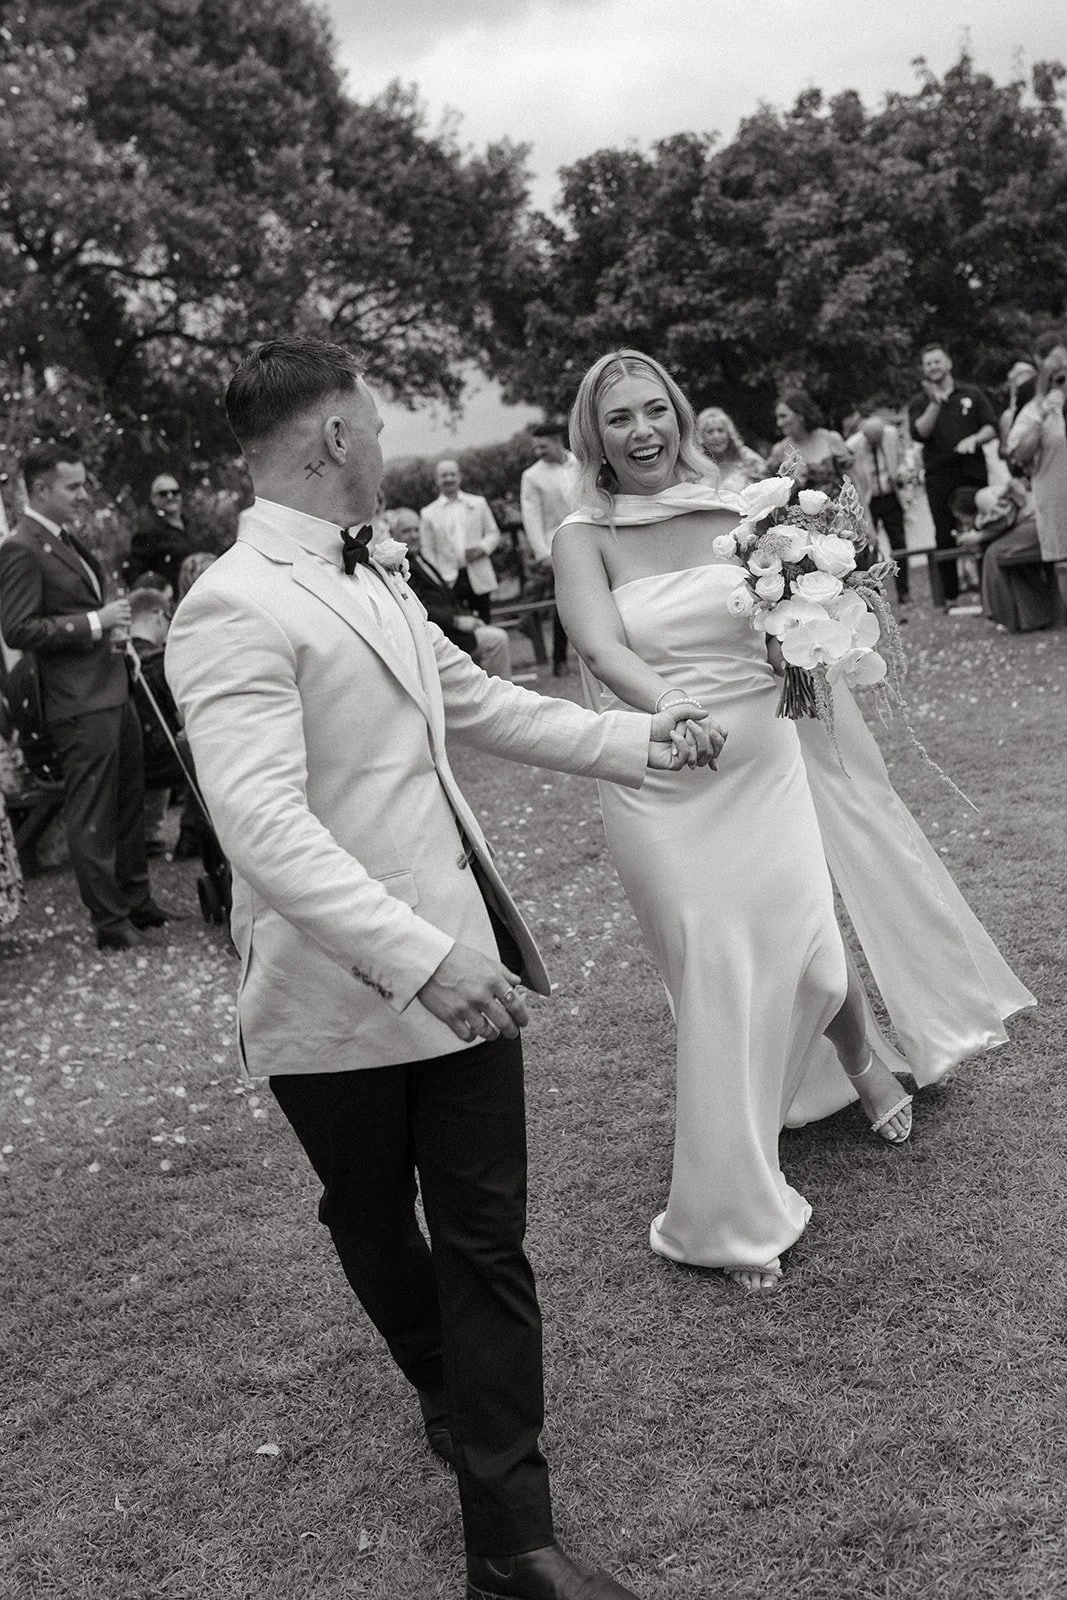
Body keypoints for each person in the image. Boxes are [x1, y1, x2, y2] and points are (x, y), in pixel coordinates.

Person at [164, 336, 714, 1600]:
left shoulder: (381, 572)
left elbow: (477, 702)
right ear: (334, 440)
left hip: (461, 968)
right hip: (333, 996)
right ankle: (434, 1375)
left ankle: (514, 1543)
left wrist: (638, 741)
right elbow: (262, 827)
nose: (387, 443)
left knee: (485, 1240)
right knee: (368, 1216)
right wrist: (417, 961)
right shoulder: (229, 606)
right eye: (373, 422)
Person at [551, 347, 1035, 1295]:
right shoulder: (584, 532)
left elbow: (794, 619)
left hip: (766, 752)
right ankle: (729, 1210)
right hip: (665, 769)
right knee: (715, 968)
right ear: (593, 435)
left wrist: (827, 616)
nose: (643, 431)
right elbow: (599, 644)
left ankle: (856, 1060)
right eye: (619, 419)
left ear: (682, 416)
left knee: (810, 950)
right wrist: (669, 707)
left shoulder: (744, 506)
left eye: (656, 410)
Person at [0, 443, 167, 950]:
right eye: (73, 486)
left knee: (129, 798)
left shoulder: (64, 539)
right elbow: (17, 628)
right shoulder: (21, 547)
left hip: (111, 685)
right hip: (76, 700)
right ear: (42, 488)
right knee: (92, 811)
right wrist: (94, 622)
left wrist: (108, 632)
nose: (82, 494)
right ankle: (110, 923)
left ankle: (138, 901)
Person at [907, 344, 998, 606]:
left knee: (983, 524)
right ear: (924, 370)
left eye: (937, 361)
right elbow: (920, 433)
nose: (933, 367)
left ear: (948, 363)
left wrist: (975, 438)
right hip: (939, 476)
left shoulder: (971, 393)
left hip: (972, 471)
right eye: (928, 364)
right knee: (944, 533)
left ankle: (987, 588)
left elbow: (991, 427)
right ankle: (950, 596)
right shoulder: (919, 402)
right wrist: (935, 404)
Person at [389, 506, 512, 679]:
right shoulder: (399, 567)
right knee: (497, 639)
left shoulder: (420, 559)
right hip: (441, 635)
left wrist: (469, 617)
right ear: (393, 534)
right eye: (406, 531)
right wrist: (456, 621)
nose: (414, 535)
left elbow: (446, 597)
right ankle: (502, 700)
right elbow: (417, 608)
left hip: (453, 630)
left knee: (491, 635)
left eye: (416, 530)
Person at [1006, 331, 1067, 617]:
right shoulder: (1035, 408)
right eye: (1058, 375)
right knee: (1064, 564)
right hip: (1055, 496)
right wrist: (1044, 413)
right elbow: (1018, 454)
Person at [950, 483, 1057, 634]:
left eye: (960, 517)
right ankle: (1030, 618)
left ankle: (999, 612)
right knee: (1004, 556)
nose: (963, 522)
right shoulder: (987, 498)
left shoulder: (982, 497)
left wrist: (978, 537)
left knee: (994, 554)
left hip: (1034, 522)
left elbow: (1005, 518)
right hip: (1037, 522)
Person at [519, 422, 578, 676]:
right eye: (535, 447)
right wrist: (542, 553)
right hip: (557, 544)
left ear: (557, 440)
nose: (538, 451)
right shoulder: (532, 476)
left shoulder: (580, 463)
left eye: (543, 446)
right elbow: (531, 517)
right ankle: (560, 660)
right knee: (564, 602)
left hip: (589, 534)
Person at [419, 459, 501, 625]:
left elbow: (493, 533)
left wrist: (482, 548)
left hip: (477, 571)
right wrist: (439, 575)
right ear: (437, 480)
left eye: (452, 474)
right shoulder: (428, 513)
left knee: (485, 621)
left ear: (460, 477)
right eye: (444, 475)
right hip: (449, 578)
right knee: (459, 623)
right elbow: (427, 549)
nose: (449, 479)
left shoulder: (478, 503)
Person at [844, 414, 909, 604]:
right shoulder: (853, 445)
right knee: (869, 544)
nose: (875, 443)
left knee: (899, 542)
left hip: (890, 494)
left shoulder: (891, 434)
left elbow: (901, 456)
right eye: (871, 440)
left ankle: (904, 590)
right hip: (869, 499)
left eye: (878, 439)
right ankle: (872, 590)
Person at [123, 473, 202, 595]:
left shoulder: (192, 525)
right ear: (153, 498)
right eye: (163, 493)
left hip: (198, 594)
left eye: (175, 492)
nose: (170, 496)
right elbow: (134, 575)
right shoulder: (149, 532)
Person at [766, 388, 853, 495]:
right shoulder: (779, 452)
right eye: (777, 418)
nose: (779, 423)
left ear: (800, 415)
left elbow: (853, 482)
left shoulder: (830, 439)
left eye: (783, 416)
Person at [696, 407, 766, 493]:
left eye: (720, 430)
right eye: (710, 432)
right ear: (702, 437)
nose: (716, 436)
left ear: (729, 433)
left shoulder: (746, 458)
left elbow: (766, 485)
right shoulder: (697, 463)